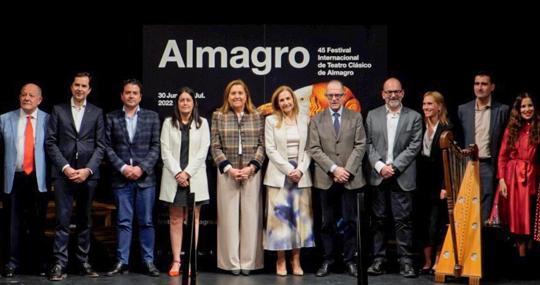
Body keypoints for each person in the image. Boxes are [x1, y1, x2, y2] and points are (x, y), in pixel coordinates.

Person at [46, 72, 105, 281]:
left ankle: (83, 262)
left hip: (88, 175)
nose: (80, 89)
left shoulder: (97, 112)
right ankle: (59, 264)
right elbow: (50, 142)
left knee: (85, 220)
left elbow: (101, 145)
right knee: (62, 221)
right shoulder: (58, 110)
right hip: (64, 175)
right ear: (71, 87)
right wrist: (66, 167)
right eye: (77, 85)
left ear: (89, 89)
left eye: (84, 86)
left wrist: (87, 170)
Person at [308, 79, 366, 277]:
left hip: (350, 179)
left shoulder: (355, 117)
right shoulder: (316, 119)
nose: (334, 98)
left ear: (343, 96)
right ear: (326, 97)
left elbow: (360, 145)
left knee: (351, 221)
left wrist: (346, 170)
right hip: (326, 178)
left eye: (337, 95)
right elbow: (314, 149)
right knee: (326, 223)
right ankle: (328, 260)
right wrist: (334, 169)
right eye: (330, 95)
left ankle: (350, 261)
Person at [366, 77, 421, 278]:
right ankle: (378, 260)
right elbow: (368, 144)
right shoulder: (372, 116)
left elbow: (415, 145)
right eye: (389, 92)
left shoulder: (413, 117)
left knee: (403, 221)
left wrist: (394, 167)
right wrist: (381, 166)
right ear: (383, 94)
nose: (393, 95)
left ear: (402, 93)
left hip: (402, 176)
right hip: (379, 175)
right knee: (378, 221)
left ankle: (405, 261)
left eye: (396, 91)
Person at [104, 79, 160, 277]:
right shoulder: (111, 118)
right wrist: (123, 167)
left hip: (145, 179)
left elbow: (156, 146)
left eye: (135, 93)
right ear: (122, 95)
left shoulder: (152, 117)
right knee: (123, 222)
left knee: (146, 221)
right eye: (127, 92)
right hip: (121, 178)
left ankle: (148, 261)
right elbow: (107, 147)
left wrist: (141, 168)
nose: (131, 96)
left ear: (140, 96)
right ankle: (122, 261)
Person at [211, 79, 265, 276]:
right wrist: (229, 168)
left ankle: (249, 262)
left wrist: (252, 167)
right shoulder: (219, 116)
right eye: (233, 93)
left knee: (252, 217)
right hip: (228, 172)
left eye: (240, 93)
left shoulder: (257, 115)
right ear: (228, 96)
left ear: (246, 95)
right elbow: (215, 146)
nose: (237, 96)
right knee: (228, 218)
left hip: (251, 172)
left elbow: (263, 145)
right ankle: (231, 263)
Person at [263, 86, 314, 276]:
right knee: (280, 221)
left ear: (293, 100)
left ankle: (296, 260)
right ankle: (281, 260)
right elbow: (270, 149)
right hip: (279, 175)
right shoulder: (271, 121)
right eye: (281, 100)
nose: (285, 103)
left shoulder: (305, 119)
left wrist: (299, 169)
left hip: (301, 176)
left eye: (288, 99)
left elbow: (310, 148)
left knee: (299, 221)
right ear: (277, 103)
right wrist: (288, 169)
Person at [159, 87, 210, 277]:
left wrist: (187, 173)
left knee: (194, 219)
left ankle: (190, 261)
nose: (185, 103)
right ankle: (177, 261)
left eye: (188, 100)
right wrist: (178, 173)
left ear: (194, 103)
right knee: (175, 219)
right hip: (174, 178)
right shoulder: (168, 123)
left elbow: (203, 151)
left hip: (194, 178)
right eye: (182, 100)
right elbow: (165, 152)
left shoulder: (202, 123)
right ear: (177, 103)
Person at [0, 83, 49, 277]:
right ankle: (11, 263)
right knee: (12, 223)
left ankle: (38, 264)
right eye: (23, 94)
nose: (27, 98)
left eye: (31, 95)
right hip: (14, 177)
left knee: (38, 222)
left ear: (40, 99)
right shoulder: (4, 119)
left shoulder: (49, 119)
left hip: (38, 177)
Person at [457, 71, 509, 223]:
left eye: (484, 84)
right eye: (477, 83)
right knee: (466, 207)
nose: (480, 87)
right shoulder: (463, 109)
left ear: (492, 87)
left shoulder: (502, 110)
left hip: (488, 164)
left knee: (485, 209)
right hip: (468, 165)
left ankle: (482, 243)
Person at [495, 92, 540, 262]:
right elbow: (502, 156)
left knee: (531, 216)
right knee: (518, 218)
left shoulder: (537, 127)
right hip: (514, 176)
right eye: (523, 106)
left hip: (532, 175)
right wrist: (501, 180)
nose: (527, 109)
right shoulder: (511, 129)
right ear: (518, 109)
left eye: (530, 105)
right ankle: (520, 259)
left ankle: (530, 257)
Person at [417, 91, 452, 274]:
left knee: (437, 222)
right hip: (422, 181)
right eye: (424, 104)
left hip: (439, 182)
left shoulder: (447, 128)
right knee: (423, 222)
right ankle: (427, 260)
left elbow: (451, 161)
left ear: (439, 106)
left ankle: (439, 260)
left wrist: (445, 186)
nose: (426, 108)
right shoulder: (419, 126)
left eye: (430, 104)